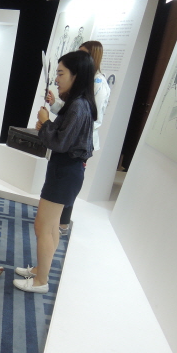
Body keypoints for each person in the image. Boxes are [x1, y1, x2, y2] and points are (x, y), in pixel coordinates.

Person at [15, 50, 97, 293]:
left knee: (43, 226)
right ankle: (41, 270)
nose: (57, 79)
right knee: (50, 226)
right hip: (65, 171)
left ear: (76, 75)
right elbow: (63, 138)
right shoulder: (79, 103)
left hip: (65, 172)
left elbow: (60, 142)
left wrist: (45, 122)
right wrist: (47, 124)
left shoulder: (79, 105)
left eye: (61, 73)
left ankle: (41, 281)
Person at [46, 41, 110, 236]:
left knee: (50, 219)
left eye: (82, 54)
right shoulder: (81, 97)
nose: (57, 79)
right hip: (70, 149)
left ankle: (62, 224)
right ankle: (58, 224)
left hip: (75, 150)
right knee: (49, 219)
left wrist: (48, 125)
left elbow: (86, 119)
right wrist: (56, 105)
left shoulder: (96, 86)